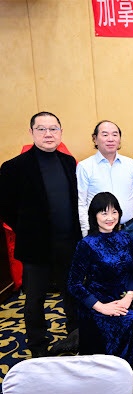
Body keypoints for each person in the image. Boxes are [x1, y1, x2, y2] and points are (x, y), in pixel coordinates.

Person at [0, 112, 81, 358]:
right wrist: (27, 228)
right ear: (31, 132)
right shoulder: (14, 167)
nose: (48, 134)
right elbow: (5, 207)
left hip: (68, 242)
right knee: (35, 299)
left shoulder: (68, 162)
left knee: (72, 293)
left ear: (61, 132)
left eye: (53, 129)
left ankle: (74, 336)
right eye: (42, 129)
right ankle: (38, 345)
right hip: (36, 245)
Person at [67, 192, 133, 380]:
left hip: (124, 299)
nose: (110, 217)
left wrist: (129, 296)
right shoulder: (87, 244)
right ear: (94, 215)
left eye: (114, 212)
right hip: (97, 303)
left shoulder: (126, 239)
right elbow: (74, 283)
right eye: (104, 213)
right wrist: (101, 307)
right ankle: (116, 378)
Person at [77, 120, 133, 243]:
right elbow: (81, 202)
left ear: (119, 139)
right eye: (105, 135)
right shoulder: (85, 167)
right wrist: (86, 231)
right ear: (95, 139)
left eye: (115, 134)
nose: (110, 139)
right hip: (98, 232)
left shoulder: (131, 164)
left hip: (129, 229)